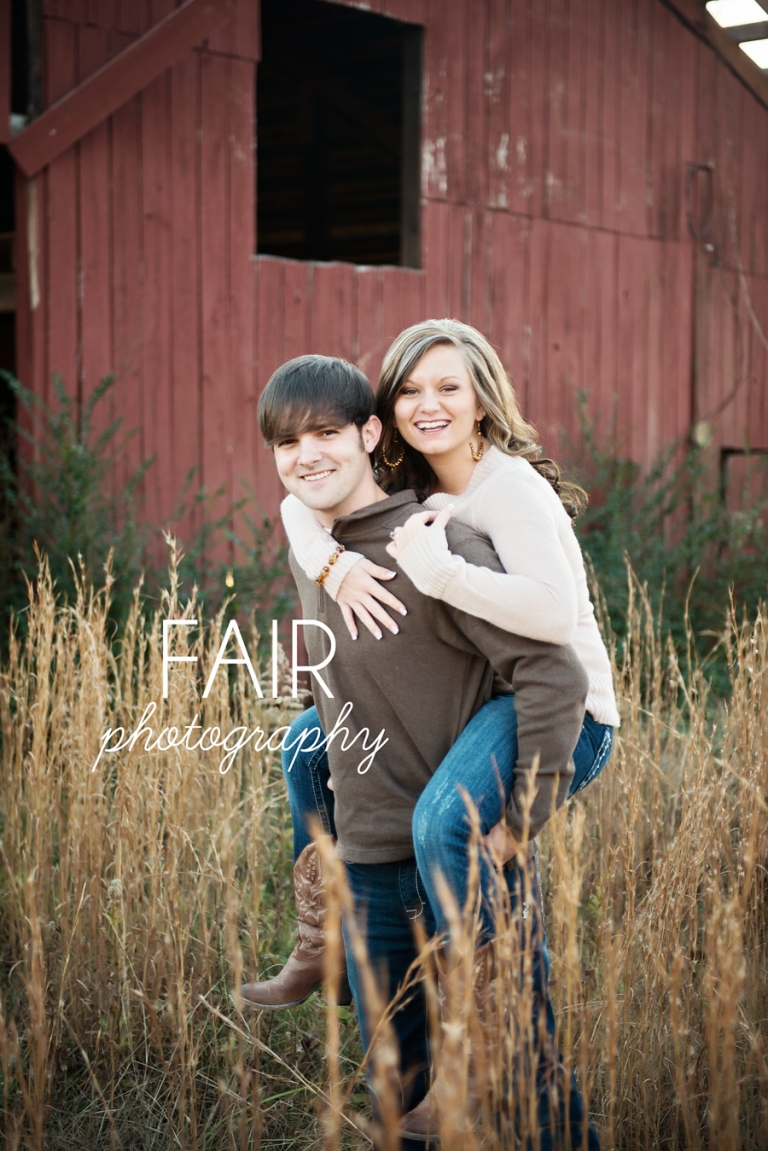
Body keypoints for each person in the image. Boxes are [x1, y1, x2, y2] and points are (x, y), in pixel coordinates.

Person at [239, 354, 599, 1148]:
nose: (307, 456)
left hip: (454, 853)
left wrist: (522, 816)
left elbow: (554, 676)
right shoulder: (313, 547)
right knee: (397, 1100)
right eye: (287, 442)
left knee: (521, 1076)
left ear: (371, 433)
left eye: (326, 433)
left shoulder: (438, 545)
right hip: (369, 866)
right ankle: (316, 937)